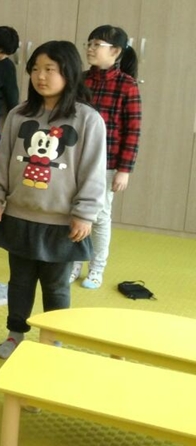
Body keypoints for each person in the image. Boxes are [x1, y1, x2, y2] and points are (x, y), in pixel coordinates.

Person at [0, 41, 106, 360]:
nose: (41, 76)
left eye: (50, 69)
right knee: (20, 282)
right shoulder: (19, 114)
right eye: (36, 69)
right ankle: (14, 336)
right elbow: (2, 160)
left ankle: (54, 342)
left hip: (62, 222)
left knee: (56, 286)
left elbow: (94, 171)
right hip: (20, 216)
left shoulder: (87, 119)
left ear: (68, 72)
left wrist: (85, 214)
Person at [71, 25, 142, 289]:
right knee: (74, 212)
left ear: (115, 51)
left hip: (108, 163)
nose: (90, 48)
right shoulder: (80, 80)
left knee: (99, 217)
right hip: (77, 159)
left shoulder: (127, 85)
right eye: (89, 43)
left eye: (97, 44)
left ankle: (96, 268)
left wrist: (124, 170)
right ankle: (74, 264)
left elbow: (133, 130)